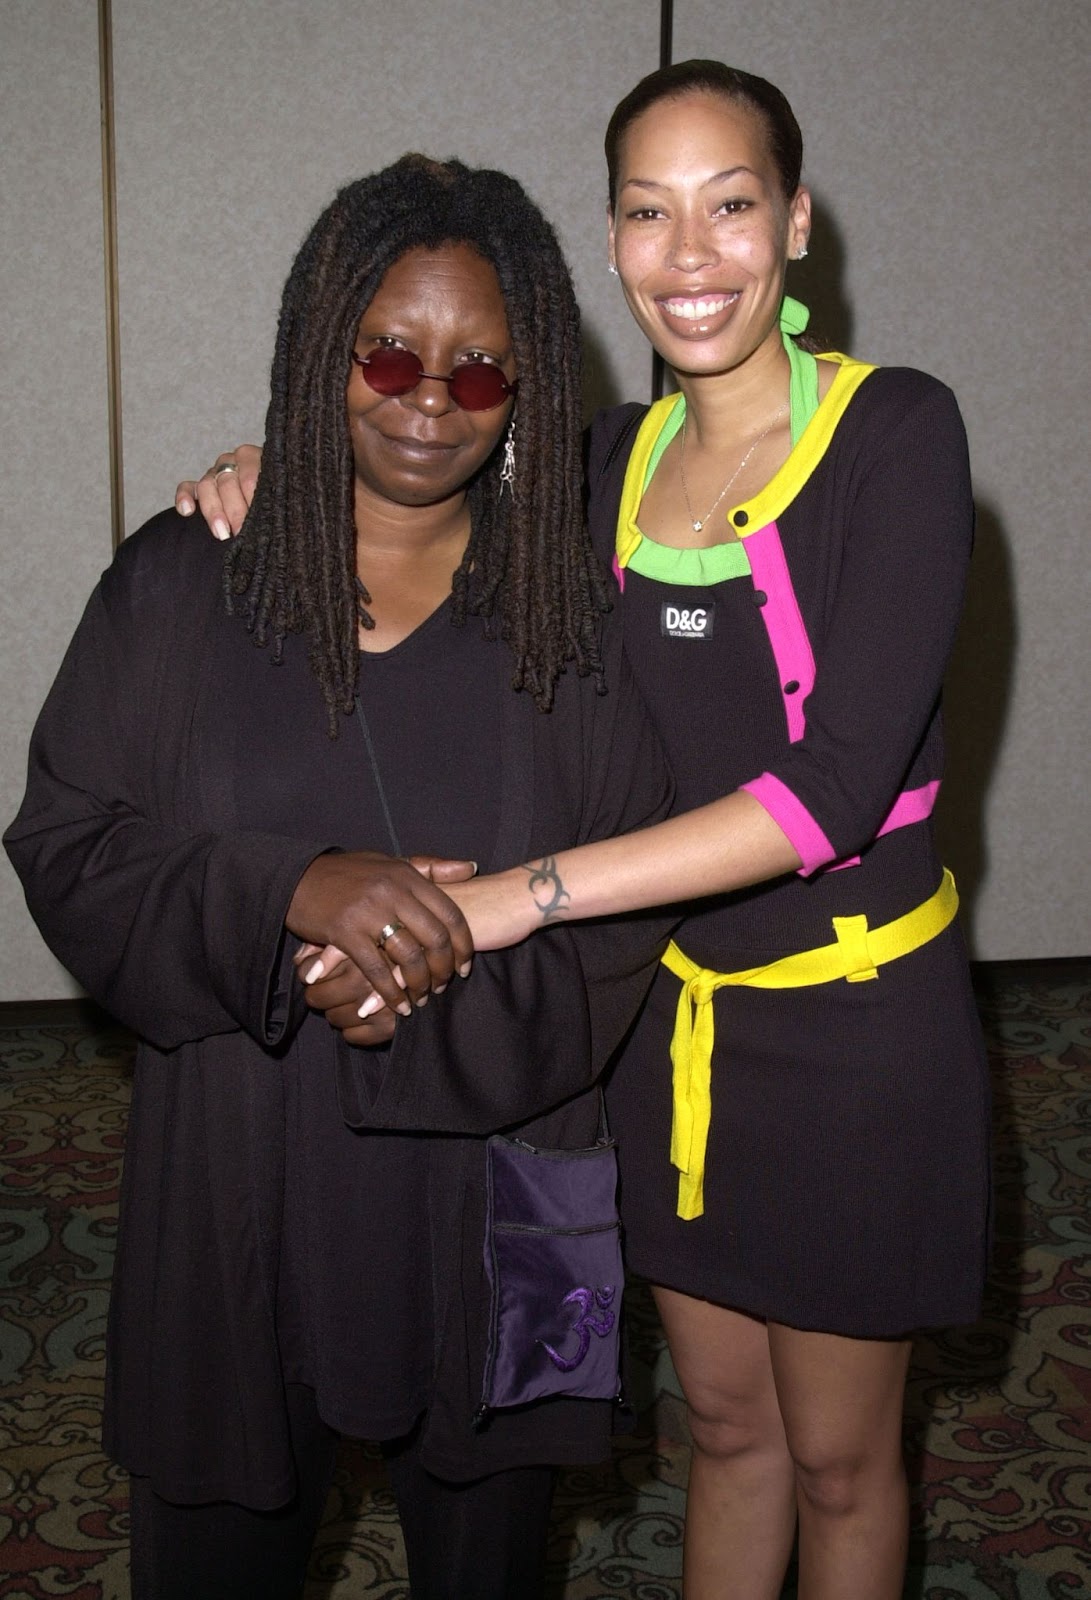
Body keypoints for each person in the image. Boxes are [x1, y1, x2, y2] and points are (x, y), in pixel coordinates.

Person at [182, 63, 992, 1600]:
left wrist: (515, 900)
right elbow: (411, 474)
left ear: (799, 223)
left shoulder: (897, 435)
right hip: (665, 1035)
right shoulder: (603, 461)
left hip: (854, 1034)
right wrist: (264, 469)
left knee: (839, 1461)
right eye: (648, 212)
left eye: (732, 205)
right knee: (730, 1436)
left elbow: (828, 796)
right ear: (612, 242)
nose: (692, 256)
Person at [5, 155, 677, 1600]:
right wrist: (295, 889)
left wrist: (424, 989)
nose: (428, 395)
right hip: (243, 1165)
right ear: (325, 350)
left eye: (481, 370)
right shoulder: (187, 587)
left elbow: (626, 918)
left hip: (505, 1189)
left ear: (529, 390)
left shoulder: (568, 621)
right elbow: (68, 838)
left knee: (492, 1563)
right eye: (388, 350)